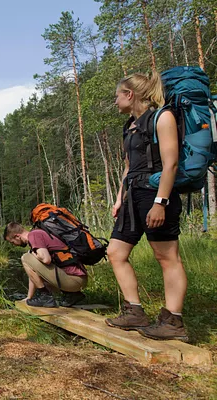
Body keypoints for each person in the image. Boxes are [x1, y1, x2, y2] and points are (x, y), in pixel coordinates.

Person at [106, 72, 188, 342]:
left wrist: (160, 203)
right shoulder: (129, 126)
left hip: (156, 195)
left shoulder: (162, 118)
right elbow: (128, 167)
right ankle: (134, 312)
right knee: (115, 252)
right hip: (133, 197)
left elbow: (171, 164)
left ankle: (173, 321)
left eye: (117, 96)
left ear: (129, 94)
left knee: (167, 258)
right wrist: (119, 198)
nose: (115, 101)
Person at [4, 222, 87, 308]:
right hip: (77, 280)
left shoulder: (34, 235)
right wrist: (29, 297)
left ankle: (45, 297)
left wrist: (32, 254)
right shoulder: (38, 234)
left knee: (25, 257)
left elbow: (46, 259)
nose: (14, 245)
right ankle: (72, 295)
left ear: (17, 236)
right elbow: (33, 274)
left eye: (12, 242)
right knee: (30, 261)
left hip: (74, 280)